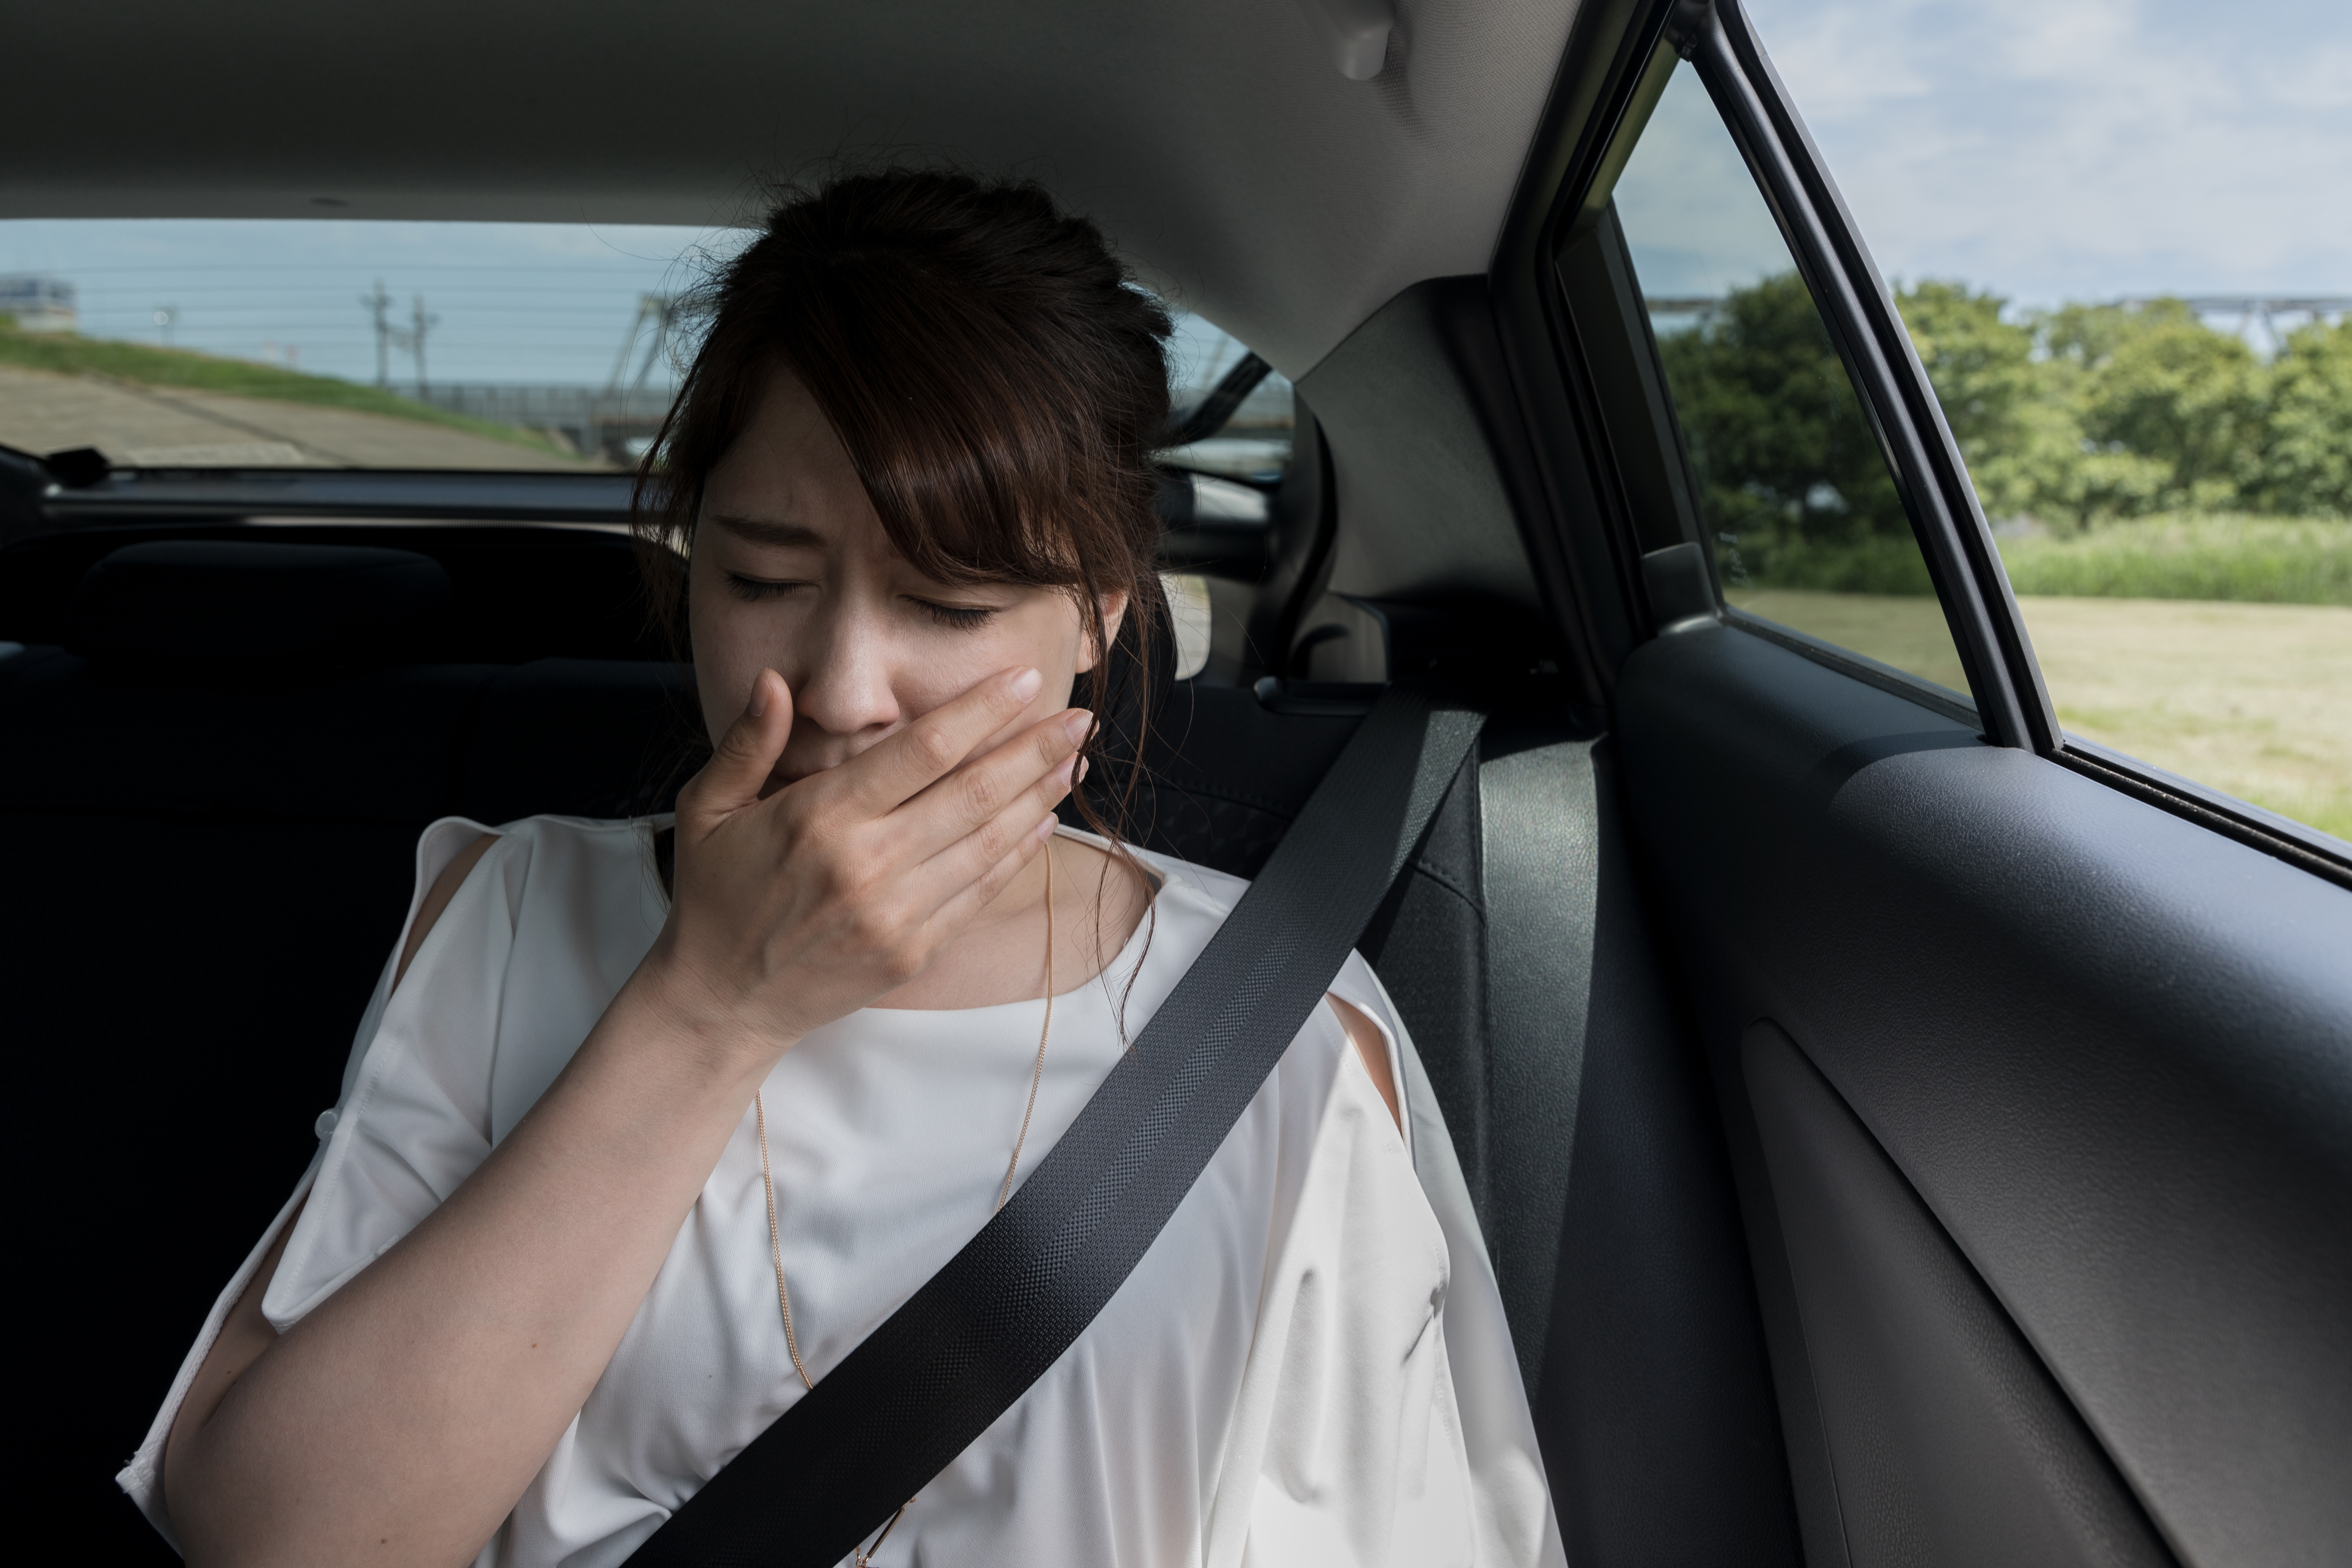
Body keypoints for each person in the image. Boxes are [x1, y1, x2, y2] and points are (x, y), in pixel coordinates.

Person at [123, 169, 1567, 1568]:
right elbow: (273, 1541)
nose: (842, 686)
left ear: (1100, 616)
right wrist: (709, 1007)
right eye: (762, 581)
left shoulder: (1290, 1045)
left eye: (948, 601)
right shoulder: (508, 912)